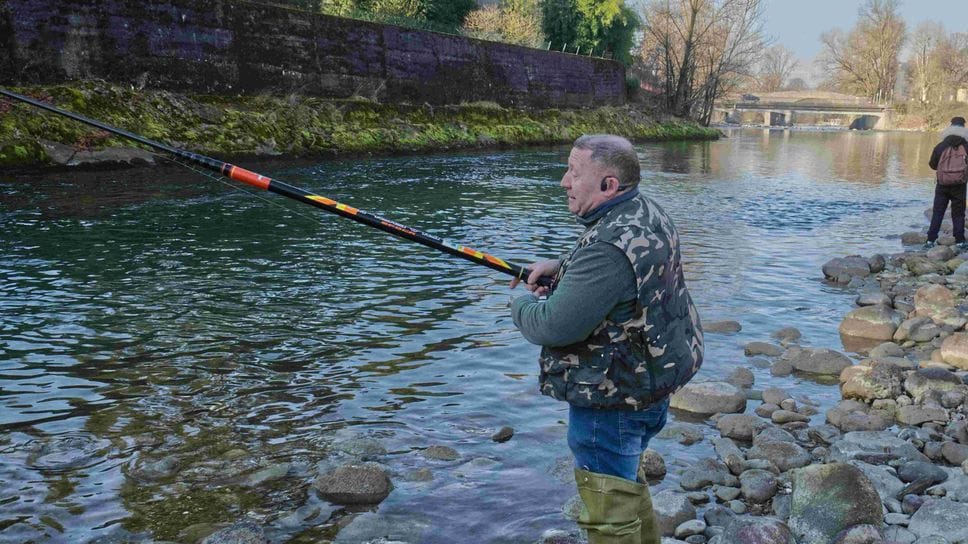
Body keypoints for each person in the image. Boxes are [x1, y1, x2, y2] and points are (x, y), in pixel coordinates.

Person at [509, 135, 703, 544]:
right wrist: (561, 267)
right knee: (626, 484)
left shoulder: (607, 247)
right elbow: (617, 268)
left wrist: (518, 303)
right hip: (650, 386)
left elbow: (552, 326)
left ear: (608, 185)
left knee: (609, 514)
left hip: (612, 399)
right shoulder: (646, 211)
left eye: (574, 173)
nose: (564, 181)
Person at [927, 116, 968, 250]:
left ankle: (930, 240)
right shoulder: (966, 146)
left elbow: (932, 165)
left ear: (950, 127)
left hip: (942, 184)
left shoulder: (941, 145)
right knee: (958, 213)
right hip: (960, 185)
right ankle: (960, 240)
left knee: (938, 212)